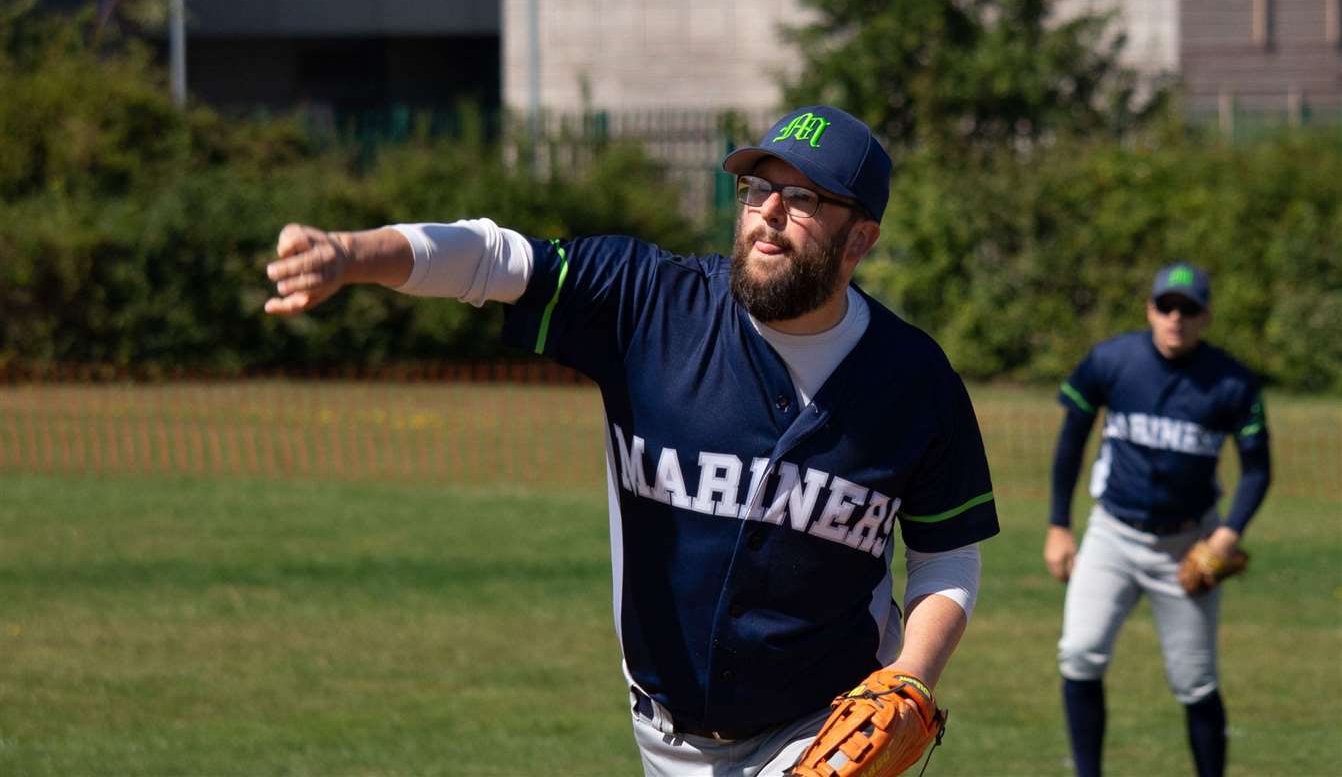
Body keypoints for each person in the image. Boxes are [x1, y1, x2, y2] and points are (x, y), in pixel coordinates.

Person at [265, 104, 999, 776]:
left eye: (804, 198)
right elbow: (493, 261)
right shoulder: (649, 304)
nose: (768, 213)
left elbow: (945, 557)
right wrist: (352, 254)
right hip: (665, 737)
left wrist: (911, 678)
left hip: (824, 732)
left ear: (859, 239)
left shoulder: (914, 382)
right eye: (756, 190)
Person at [1044, 264, 1272, 777]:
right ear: (1150, 309)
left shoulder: (1231, 382)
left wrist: (1226, 535)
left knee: (1195, 680)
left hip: (1189, 541)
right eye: (1167, 306)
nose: (1176, 318)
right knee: (1079, 654)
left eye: (1189, 309)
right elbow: (1071, 441)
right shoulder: (1112, 360)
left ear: (1205, 316)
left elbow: (1258, 471)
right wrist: (1059, 524)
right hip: (1112, 535)